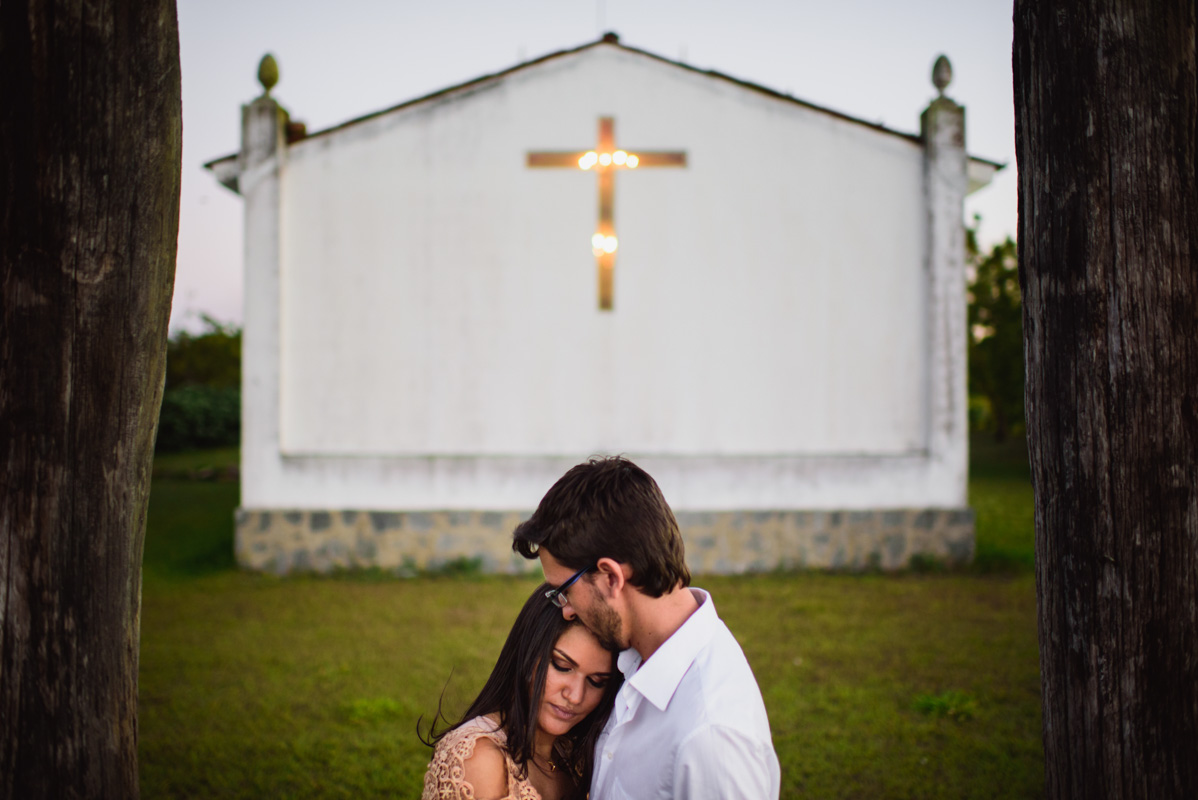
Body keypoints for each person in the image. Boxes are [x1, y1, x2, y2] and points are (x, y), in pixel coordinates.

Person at [512, 456, 781, 799]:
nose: (566, 611)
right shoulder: (638, 656)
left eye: (565, 592)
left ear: (610, 577)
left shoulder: (711, 740)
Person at [421, 584, 621, 800]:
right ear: (527, 652)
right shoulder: (481, 759)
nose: (575, 696)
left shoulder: (575, 755)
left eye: (596, 681)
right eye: (562, 666)